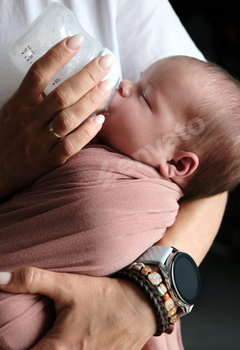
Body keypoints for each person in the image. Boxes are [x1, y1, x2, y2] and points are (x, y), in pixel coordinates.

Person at [0, 1, 228, 349]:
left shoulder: (135, 193)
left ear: (178, 165)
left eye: (143, 95)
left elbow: (212, 180)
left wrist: (145, 297)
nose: (123, 84)